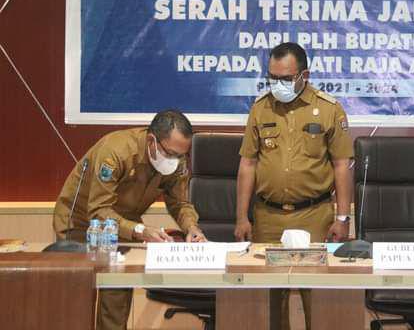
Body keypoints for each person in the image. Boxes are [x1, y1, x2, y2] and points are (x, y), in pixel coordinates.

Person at [234, 42, 354, 330]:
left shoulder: (329, 109)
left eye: (285, 78)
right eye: (272, 77)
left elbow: (342, 165)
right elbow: (248, 164)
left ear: (304, 75)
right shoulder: (260, 108)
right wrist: (241, 217)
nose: (278, 84)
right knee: (269, 301)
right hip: (268, 217)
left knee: (318, 297)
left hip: (314, 216)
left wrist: (342, 218)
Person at [52, 110, 207, 330]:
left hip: (124, 227)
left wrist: (191, 227)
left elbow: (180, 203)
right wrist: (140, 230)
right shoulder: (116, 152)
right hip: (81, 223)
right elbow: (98, 210)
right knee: (77, 300)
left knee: (116, 296)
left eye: (182, 155)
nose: (176, 161)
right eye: (171, 153)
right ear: (152, 141)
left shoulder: (176, 162)